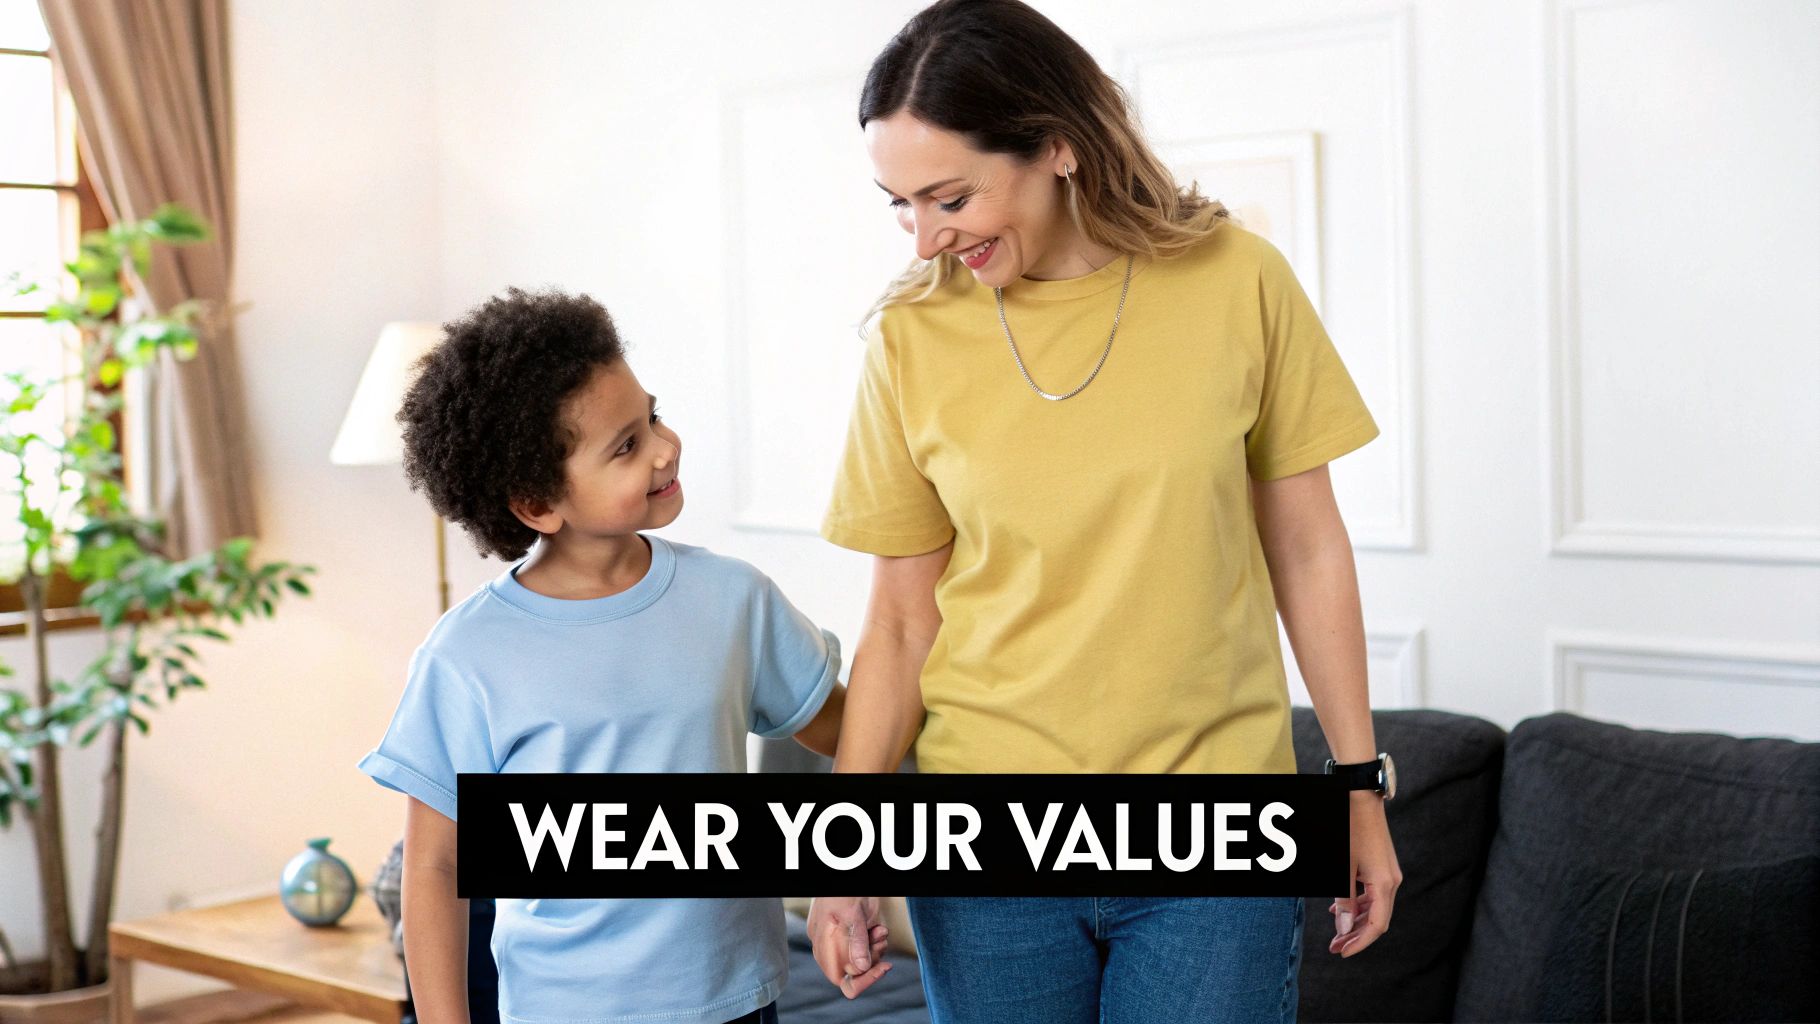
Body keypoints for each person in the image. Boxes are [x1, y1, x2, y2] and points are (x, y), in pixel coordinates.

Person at [807, 1, 1403, 1020]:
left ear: (1057, 146)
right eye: (899, 204)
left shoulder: (1238, 281)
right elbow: (902, 622)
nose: (927, 236)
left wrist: (1357, 787)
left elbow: (1308, 551)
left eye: (950, 196)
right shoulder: (912, 336)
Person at [356, 288, 877, 1024]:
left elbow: (856, 736)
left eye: (653, 416)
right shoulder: (467, 655)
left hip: (737, 1001)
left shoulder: (734, 600)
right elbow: (436, 866)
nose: (665, 448)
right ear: (536, 503)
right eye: (626, 446)